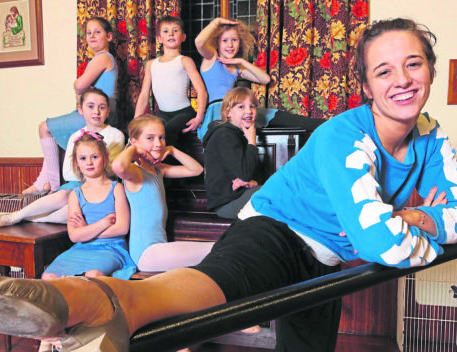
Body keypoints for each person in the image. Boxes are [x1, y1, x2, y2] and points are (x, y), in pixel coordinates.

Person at [0, 18, 457, 352]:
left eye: (413, 64)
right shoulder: (346, 136)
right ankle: (92, 298)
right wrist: (412, 219)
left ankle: (107, 303)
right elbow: (380, 245)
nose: (402, 81)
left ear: (431, 69)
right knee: (220, 282)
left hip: (327, 259)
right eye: (383, 70)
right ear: (365, 85)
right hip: (276, 229)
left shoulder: (434, 140)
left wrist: (418, 222)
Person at [113, 114, 215, 352]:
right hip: (147, 253)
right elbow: (118, 166)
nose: (158, 142)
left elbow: (196, 169)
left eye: (161, 137)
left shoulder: (157, 170)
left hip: (159, 248)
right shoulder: (135, 174)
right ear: (134, 141)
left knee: (191, 277)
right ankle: (237, 314)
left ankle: (176, 335)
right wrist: (134, 149)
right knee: (217, 249)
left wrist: (171, 149)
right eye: (150, 138)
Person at [0, 88, 125, 229]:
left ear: (108, 111)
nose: (96, 112)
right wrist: (87, 173)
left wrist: (91, 174)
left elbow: (111, 169)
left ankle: (32, 219)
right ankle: (15, 216)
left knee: (75, 210)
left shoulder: (115, 135)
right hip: (75, 184)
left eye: (101, 107)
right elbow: (68, 172)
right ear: (81, 109)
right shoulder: (75, 136)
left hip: (100, 185)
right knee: (64, 196)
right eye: (90, 106)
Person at [23, 17, 119, 194]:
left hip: (99, 112)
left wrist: (79, 88)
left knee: (45, 127)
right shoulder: (101, 59)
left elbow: (79, 85)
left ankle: (51, 184)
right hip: (92, 110)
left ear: (109, 36)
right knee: (57, 135)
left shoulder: (103, 58)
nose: (92, 36)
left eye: (97, 32)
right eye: (88, 33)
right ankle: (43, 182)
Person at [195, 17, 325, 140]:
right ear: (216, 43)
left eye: (234, 40)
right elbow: (199, 41)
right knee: (229, 140)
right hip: (220, 110)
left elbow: (265, 79)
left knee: (281, 116)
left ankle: (331, 125)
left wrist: (242, 61)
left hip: (240, 108)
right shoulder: (211, 58)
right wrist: (217, 22)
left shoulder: (237, 67)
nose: (230, 45)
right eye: (225, 40)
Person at [41, 132, 134, 281]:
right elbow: (74, 236)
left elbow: (122, 228)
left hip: (112, 248)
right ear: (76, 162)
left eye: (94, 157)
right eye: (83, 158)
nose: (89, 162)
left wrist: (86, 229)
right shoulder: (75, 195)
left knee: (92, 276)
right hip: (82, 248)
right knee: (48, 276)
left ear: (105, 157)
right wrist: (102, 224)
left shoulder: (116, 188)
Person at [134, 16, 207, 147]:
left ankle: (164, 165)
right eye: (166, 31)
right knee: (150, 131)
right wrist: (136, 120)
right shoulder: (151, 64)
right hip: (162, 113)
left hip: (184, 112)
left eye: (175, 30)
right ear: (159, 39)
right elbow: (144, 94)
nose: (171, 34)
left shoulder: (185, 61)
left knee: (167, 130)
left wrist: (199, 117)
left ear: (183, 37)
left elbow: (201, 91)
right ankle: (152, 165)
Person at [203, 87, 261, 219]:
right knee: (277, 192)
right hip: (228, 204)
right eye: (241, 107)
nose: (249, 111)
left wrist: (252, 182)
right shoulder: (224, 134)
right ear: (228, 112)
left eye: (252, 106)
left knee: (280, 191)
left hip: (237, 196)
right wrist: (252, 141)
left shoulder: (235, 133)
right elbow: (245, 173)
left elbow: (244, 175)